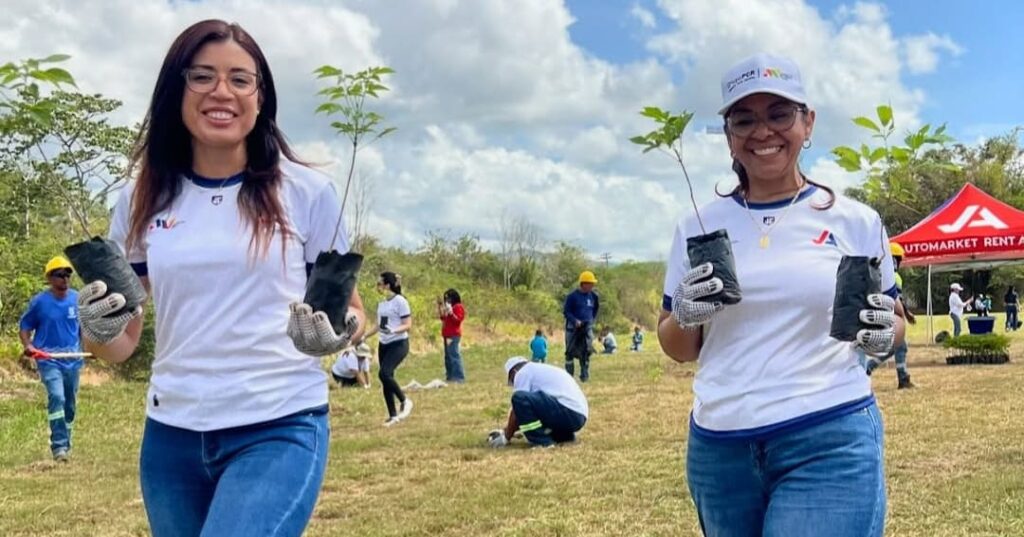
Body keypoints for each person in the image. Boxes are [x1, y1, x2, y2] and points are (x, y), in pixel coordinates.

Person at [80, 20, 367, 537]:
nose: (221, 92)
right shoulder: (141, 198)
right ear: (177, 89)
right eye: (202, 76)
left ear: (261, 96)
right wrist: (96, 330)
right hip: (171, 437)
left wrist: (336, 333)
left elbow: (353, 311)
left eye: (240, 79)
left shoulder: (307, 193)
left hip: (278, 425)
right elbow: (121, 345)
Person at [658, 53, 904, 536]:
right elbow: (677, 346)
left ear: (807, 122)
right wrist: (686, 313)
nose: (763, 131)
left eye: (779, 114)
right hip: (719, 451)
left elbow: (893, 318)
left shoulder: (855, 221)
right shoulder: (698, 224)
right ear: (728, 133)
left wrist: (883, 335)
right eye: (744, 119)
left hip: (828, 435)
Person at [19, 256, 83, 462]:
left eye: (67, 274)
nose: (65, 279)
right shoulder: (40, 302)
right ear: (49, 278)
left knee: (69, 405)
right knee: (57, 396)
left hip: (72, 358)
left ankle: (66, 441)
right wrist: (28, 346)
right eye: (59, 275)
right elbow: (25, 327)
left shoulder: (78, 299)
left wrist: (93, 348)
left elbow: (85, 330)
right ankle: (59, 446)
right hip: (48, 359)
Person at [487, 357, 588, 448]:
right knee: (530, 403)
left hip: (568, 411)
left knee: (519, 398)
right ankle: (564, 436)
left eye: (511, 380)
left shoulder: (523, 372)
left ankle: (542, 442)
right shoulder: (538, 370)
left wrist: (506, 436)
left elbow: (518, 408)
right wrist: (507, 430)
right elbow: (527, 412)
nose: (513, 384)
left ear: (514, 371)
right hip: (578, 416)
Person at [360, 271, 414, 426]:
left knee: (384, 373)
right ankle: (393, 415)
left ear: (387, 285)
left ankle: (404, 400)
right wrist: (364, 336)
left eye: (379, 284)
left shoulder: (400, 301)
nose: (377, 287)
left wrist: (394, 330)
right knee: (386, 379)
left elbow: (407, 324)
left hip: (399, 343)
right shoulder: (382, 304)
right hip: (384, 344)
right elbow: (380, 325)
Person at [863, 242, 916, 389]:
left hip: (880, 314)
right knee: (896, 346)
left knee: (897, 347)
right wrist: (906, 314)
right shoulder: (893, 277)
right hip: (890, 317)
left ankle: (901, 377)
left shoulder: (875, 273)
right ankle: (871, 367)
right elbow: (896, 300)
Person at [563, 270, 599, 381]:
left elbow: (595, 309)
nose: (592, 286)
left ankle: (584, 374)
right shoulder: (572, 296)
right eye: (590, 283)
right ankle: (569, 376)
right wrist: (575, 321)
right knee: (570, 352)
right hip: (573, 328)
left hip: (586, 328)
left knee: (586, 351)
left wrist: (590, 320)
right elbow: (566, 312)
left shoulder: (594, 296)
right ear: (584, 284)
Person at [437, 288, 466, 383]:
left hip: (453, 334)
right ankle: (450, 376)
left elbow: (458, 320)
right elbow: (443, 318)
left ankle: (459, 377)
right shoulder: (448, 307)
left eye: (448, 298)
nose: (447, 301)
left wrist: (451, 313)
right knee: (448, 357)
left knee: (454, 355)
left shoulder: (458, 307)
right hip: (447, 334)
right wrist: (440, 307)